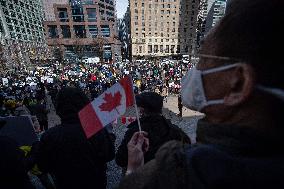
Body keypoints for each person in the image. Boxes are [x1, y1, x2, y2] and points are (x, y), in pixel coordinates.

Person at [118, 0, 284, 188]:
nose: (193, 71)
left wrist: (133, 169)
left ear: (238, 84)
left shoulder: (174, 174)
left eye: (204, 57)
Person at [35, 87, 115, 189]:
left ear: (59, 107)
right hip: (95, 183)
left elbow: (43, 166)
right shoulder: (96, 131)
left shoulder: (50, 136)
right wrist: (110, 136)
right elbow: (109, 155)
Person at [115, 92, 190, 169]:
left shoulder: (135, 132)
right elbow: (188, 146)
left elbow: (120, 160)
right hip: (169, 175)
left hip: (142, 176)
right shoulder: (173, 128)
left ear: (141, 110)